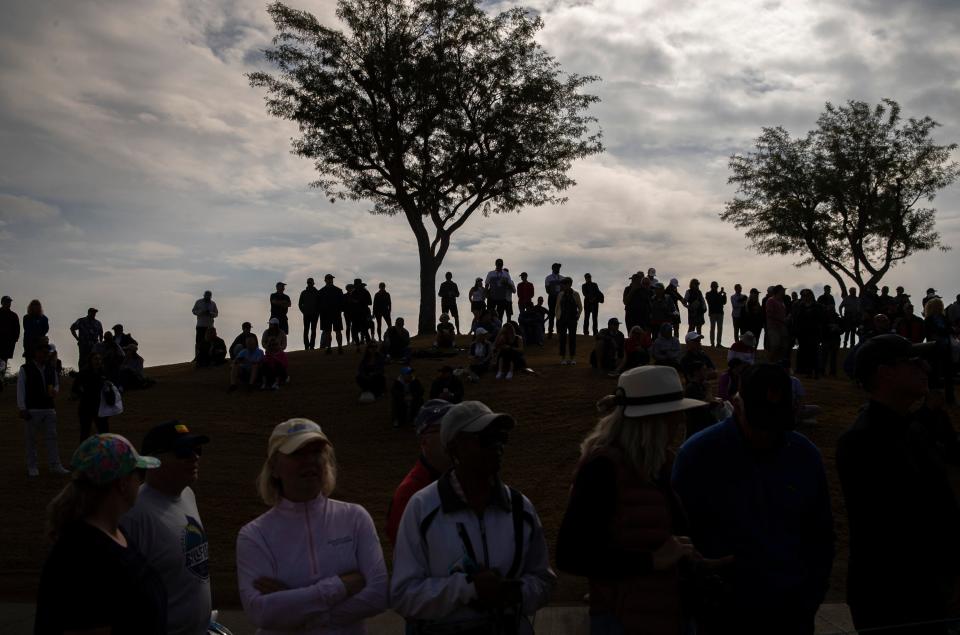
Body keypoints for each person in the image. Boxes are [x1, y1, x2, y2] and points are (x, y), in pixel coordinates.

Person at [672, 363, 834, 635]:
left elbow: (821, 536)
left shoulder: (805, 455)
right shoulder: (698, 456)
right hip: (722, 616)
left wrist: (809, 599)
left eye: (776, 422)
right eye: (759, 421)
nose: (767, 433)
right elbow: (679, 536)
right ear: (736, 403)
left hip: (792, 613)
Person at [556, 366, 708, 634]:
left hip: (668, 613)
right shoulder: (602, 469)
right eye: (675, 415)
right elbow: (572, 555)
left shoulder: (658, 464)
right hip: (624, 620)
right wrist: (651, 561)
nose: (681, 421)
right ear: (655, 420)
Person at [391, 401, 556, 633]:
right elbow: (403, 595)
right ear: (455, 447)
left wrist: (516, 592)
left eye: (501, 437)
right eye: (486, 438)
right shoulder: (422, 507)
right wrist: (468, 589)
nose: (497, 446)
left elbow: (544, 581)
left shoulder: (521, 508)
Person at [837, 334, 959, 635]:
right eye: (914, 362)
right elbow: (899, 526)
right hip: (894, 600)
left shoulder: (912, 429)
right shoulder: (862, 441)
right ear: (885, 372)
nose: (926, 369)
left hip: (928, 591)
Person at [237, 419, 388, 632]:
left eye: (316, 452)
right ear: (274, 468)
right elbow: (261, 612)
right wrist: (341, 586)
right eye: (297, 454)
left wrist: (296, 607)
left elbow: (378, 594)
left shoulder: (355, 517)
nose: (309, 461)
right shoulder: (254, 535)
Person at [36, 434, 165, 634]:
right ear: (122, 483)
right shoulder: (82, 556)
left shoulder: (113, 532)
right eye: (138, 473)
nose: (142, 480)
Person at [121, 421, 212, 635]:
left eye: (197, 450)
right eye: (183, 452)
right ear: (153, 462)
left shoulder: (188, 495)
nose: (194, 457)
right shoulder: (134, 514)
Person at [385, 401, 455, 545]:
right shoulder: (410, 493)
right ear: (424, 440)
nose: (451, 437)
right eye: (442, 430)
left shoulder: (464, 477)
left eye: (454, 430)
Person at [18, 343, 69, 477]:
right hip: (33, 408)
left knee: (52, 437)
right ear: (35, 353)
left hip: (48, 407)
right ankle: (32, 466)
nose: (44, 355)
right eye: (42, 352)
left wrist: (55, 391)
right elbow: (21, 389)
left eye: (46, 352)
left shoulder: (50, 369)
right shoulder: (25, 368)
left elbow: (56, 384)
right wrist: (22, 407)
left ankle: (55, 464)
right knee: (31, 439)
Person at [72, 351, 111, 439]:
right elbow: (75, 388)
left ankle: (106, 452)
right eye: (96, 359)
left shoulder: (103, 373)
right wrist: (83, 393)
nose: (98, 361)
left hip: (100, 407)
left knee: (105, 432)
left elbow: (108, 388)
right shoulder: (83, 373)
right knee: (85, 432)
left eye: (100, 359)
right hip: (86, 407)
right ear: (90, 360)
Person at [792, 289, 824, 378]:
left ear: (811, 295)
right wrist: (796, 334)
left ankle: (816, 371)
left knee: (814, 352)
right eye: (803, 295)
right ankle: (807, 371)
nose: (805, 297)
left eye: (807, 295)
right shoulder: (799, 307)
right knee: (804, 352)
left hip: (814, 333)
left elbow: (821, 320)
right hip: (802, 334)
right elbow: (796, 321)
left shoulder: (818, 306)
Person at [555, 277, 583, 366]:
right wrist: (558, 317)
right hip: (562, 318)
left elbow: (580, 307)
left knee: (572, 338)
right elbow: (557, 307)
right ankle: (563, 358)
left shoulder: (575, 294)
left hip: (572, 319)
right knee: (562, 338)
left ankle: (572, 358)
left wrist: (577, 316)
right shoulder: (560, 294)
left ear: (569, 284)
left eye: (564, 284)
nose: (562, 286)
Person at [318, 274, 345, 354]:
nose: (330, 280)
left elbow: (342, 303)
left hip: (333, 313)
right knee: (328, 332)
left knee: (336, 331)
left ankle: (338, 347)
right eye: (329, 279)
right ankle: (330, 347)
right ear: (325, 280)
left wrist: (340, 310)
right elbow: (318, 304)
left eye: (331, 279)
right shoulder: (322, 291)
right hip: (327, 314)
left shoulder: (323, 291)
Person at [764, 285, 789, 364]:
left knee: (782, 346)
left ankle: (777, 364)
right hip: (774, 327)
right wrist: (782, 319)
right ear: (779, 291)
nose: (784, 292)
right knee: (775, 345)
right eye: (782, 290)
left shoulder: (781, 301)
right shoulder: (771, 300)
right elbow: (769, 314)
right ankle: (770, 363)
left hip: (781, 326)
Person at [191, 291, 218, 360]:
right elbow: (193, 311)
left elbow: (216, 314)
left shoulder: (213, 303)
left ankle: (209, 356)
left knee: (210, 341)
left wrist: (210, 313)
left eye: (209, 296)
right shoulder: (199, 302)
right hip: (200, 325)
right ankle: (197, 356)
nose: (208, 297)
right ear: (204, 295)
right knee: (199, 341)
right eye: (207, 295)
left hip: (210, 326)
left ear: (211, 296)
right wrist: (201, 312)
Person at [348, 278, 373, 348]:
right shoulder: (355, 293)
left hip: (362, 314)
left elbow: (370, 302)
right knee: (356, 331)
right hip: (356, 315)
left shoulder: (364, 292)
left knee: (363, 330)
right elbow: (350, 303)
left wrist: (359, 302)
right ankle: (359, 345)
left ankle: (365, 345)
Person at [299, 277, 321, 350]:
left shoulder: (317, 292)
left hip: (315, 314)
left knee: (313, 330)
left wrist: (317, 312)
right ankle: (306, 346)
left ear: (313, 283)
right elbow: (300, 304)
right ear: (307, 283)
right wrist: (304, 311)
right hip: (307, 314)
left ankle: (311, 346)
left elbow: (320, 304)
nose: (309, 284)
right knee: (306, 330)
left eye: (310, 282)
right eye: (308, 282)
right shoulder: (304, 292)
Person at [0, 295, 19, 376]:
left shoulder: (13, 316)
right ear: (2, 302)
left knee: (4, 362)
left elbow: (17, 330)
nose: (8, 303)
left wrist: (14, 340)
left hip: (7, 344)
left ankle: (1, 379)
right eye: (7, 302)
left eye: (9, 302)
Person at [545, 262, 564, 338]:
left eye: (559, 268)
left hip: (559, 298)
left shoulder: (562, 278)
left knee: (559, 314)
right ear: (553, 268)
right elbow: (547, 290)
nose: (558, 269)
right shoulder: (548, 278)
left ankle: (559, 332)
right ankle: (550, 331)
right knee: (552, 314)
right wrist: (554, 292)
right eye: (557, 268)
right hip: (552, 298)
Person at [705, 282, 727, 347]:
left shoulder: (718, 294)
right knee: (713, 328)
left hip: (720, 313)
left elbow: (724, 302)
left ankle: (718, 343)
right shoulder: (708, 294)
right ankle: (712, 343)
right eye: (715, 286)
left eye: (716, 287)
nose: (716, 288)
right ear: (711, 287)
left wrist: (724, 295)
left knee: (719, 328)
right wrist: (720, 293)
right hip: (713, 313)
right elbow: (711, 301)